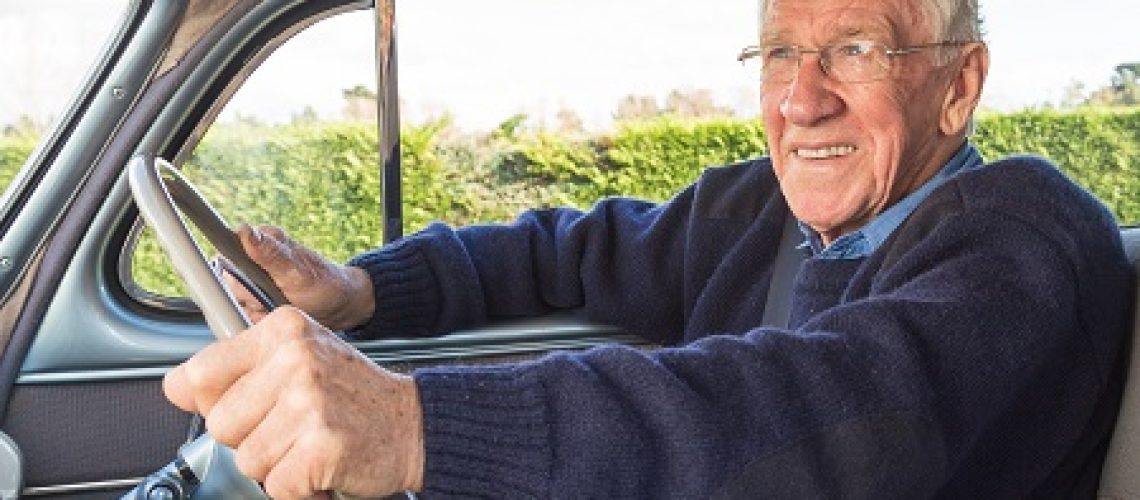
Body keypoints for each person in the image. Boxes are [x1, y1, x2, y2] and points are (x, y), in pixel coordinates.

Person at [163, 0, 1134, 498]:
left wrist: (417, 425)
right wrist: (361, 289)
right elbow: (567, 251)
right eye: (782, 53)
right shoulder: (757, 209)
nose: (801, 99)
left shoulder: (1026, 235)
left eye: (855, 49)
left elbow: (827, 406)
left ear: (958, 87)